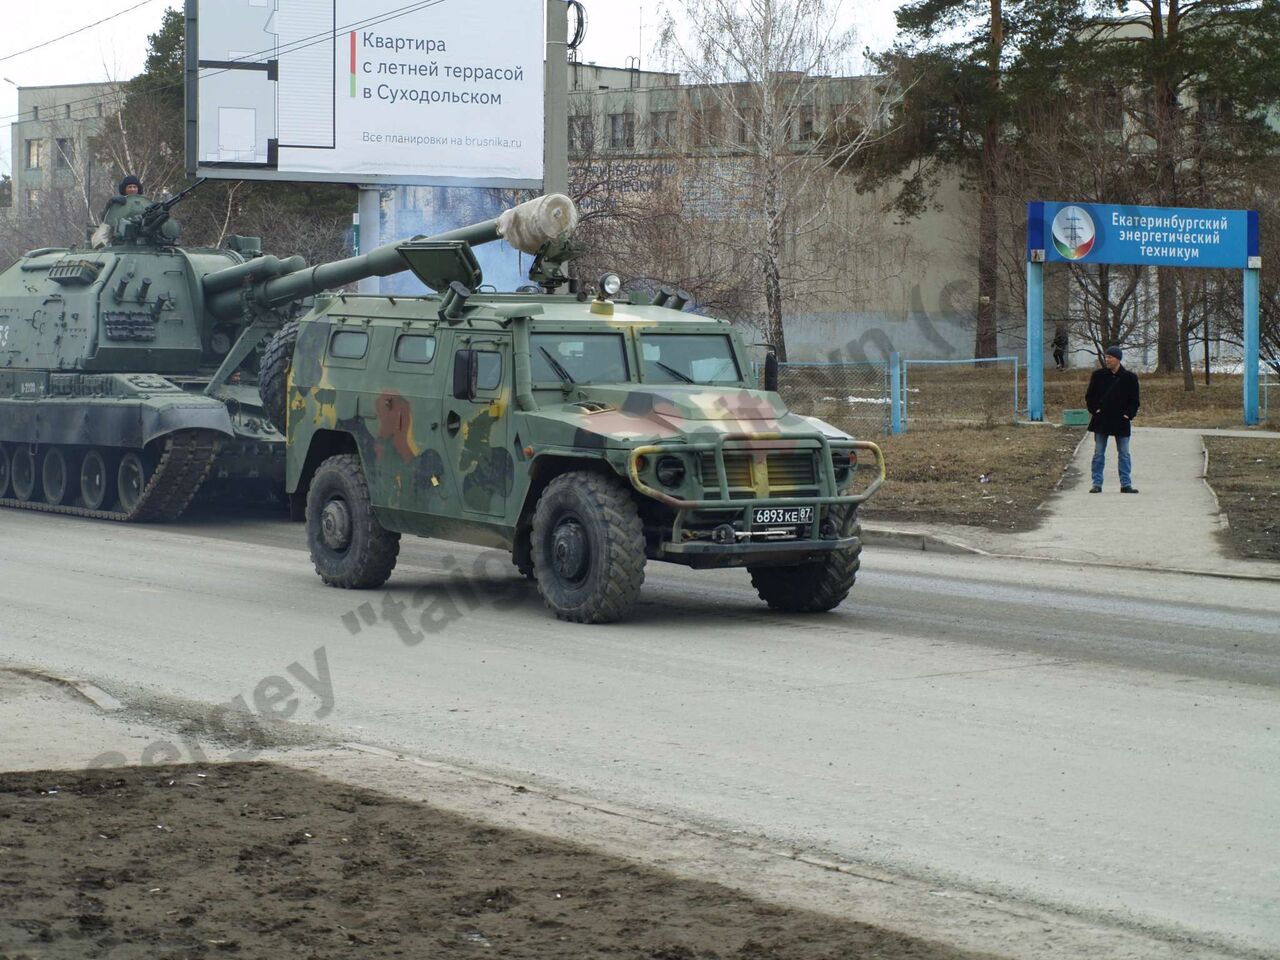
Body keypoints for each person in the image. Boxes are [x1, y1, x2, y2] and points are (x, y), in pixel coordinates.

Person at [1085, 345, 1140, 493]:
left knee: (1124, 453)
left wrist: (1128, 415)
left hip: (1121, 421)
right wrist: (1095, 410)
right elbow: (1090, 396)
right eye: (1106, 357)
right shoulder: (1098, 375)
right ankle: (1096, 484)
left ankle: (1126, 484)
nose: (1107, 360)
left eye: (1110, 357)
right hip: (1101, 419)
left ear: (1118, 359)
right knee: (1098, 453)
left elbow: (1134, 400)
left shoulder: (1130, 378)